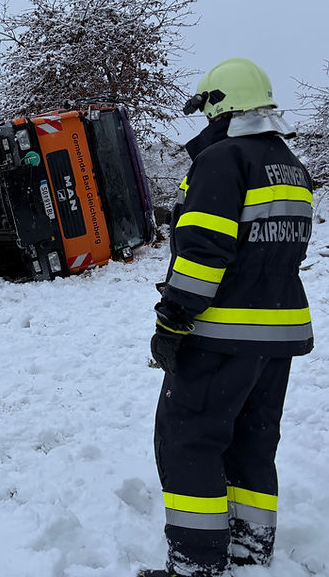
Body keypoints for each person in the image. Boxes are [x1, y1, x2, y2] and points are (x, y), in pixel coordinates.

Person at [139, 58, 314, 577]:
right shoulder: (291, 167)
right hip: (276, 336)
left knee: (188, 441)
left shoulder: (222, 161)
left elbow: (204, 253)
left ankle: (195, 564)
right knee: (253, 442)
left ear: (218, 105)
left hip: (220, 336)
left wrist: (172, 319)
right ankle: (251, 550)